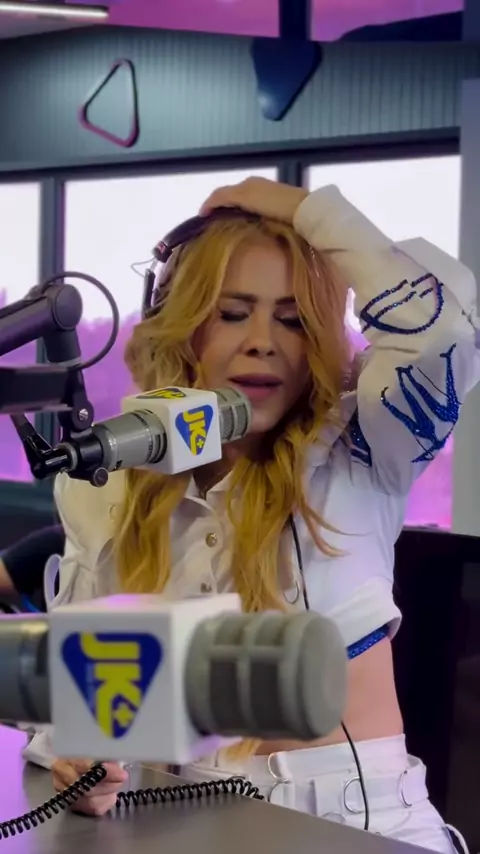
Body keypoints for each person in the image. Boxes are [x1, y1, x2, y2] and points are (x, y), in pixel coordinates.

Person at [24, 177, 479, 851]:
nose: (263, 341)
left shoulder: (363, 447)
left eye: (292, 320)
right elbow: (86, 712)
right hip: (176, 820)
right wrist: (81, 764)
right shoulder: (107, 482)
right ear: (182, 326)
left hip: (359, 826)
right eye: (233, 313)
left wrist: (298, 207)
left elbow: (442, 329)